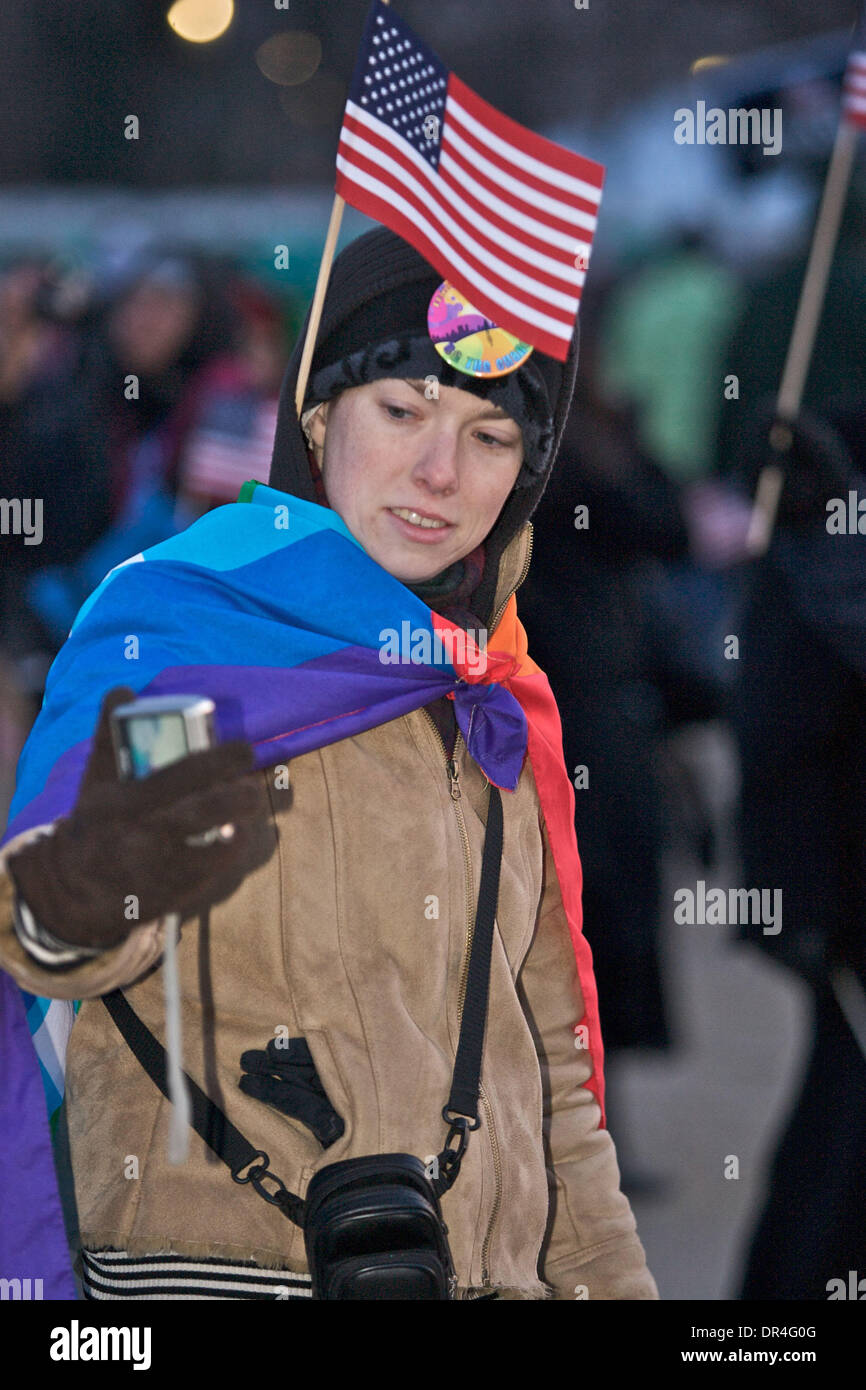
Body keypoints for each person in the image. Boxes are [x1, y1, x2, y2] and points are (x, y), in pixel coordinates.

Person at [0, 227, 658, 1301]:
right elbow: (51, 950)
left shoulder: (490, 685)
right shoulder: (180, 630)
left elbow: (556, 1088)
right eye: (400, 412)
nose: (438, 473)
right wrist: (102, 867)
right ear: (316, 421)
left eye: (491, 437)